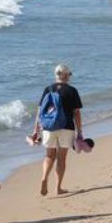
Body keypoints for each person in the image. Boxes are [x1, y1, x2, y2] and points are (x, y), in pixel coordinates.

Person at [30, 64, 84, 195]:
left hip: (49, 127)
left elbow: (40, 111)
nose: (69, 77)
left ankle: (44, 178)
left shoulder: (48, 89)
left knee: (49, 155)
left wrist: (36, 130)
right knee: (62, 158)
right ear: (65, 75)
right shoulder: (72, 90)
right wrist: (80, 131)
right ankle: (58, 188)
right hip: (67, 127)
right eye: (69, 75)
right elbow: (76, 113)